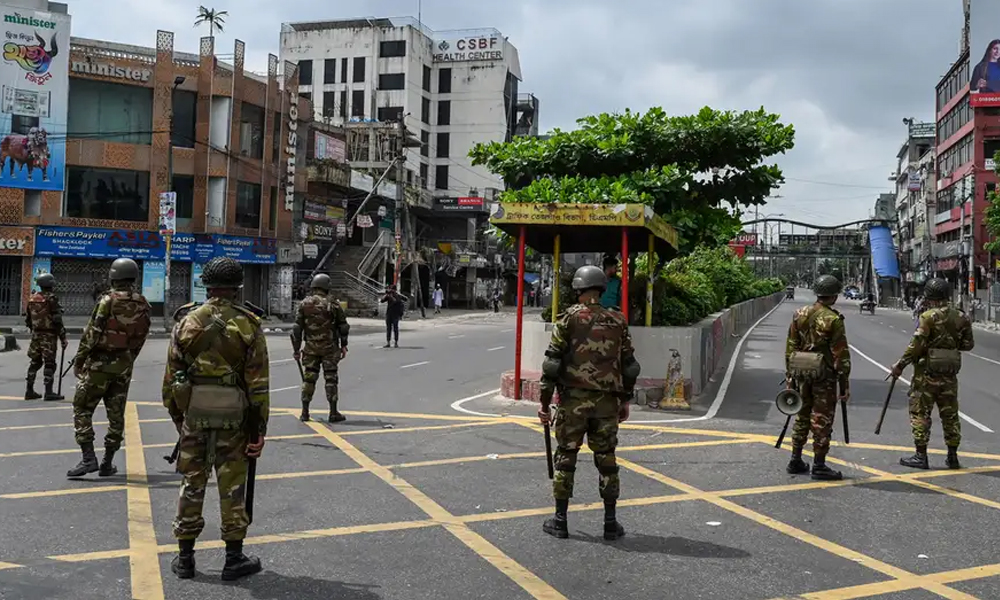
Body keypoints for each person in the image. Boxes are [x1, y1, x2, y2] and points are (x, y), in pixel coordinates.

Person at [162, 256, 269, 581]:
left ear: (206, 285)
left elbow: (170, 382)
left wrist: (182, 420)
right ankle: (233, 559)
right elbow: (258, 387)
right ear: (238, 287)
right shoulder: (249, 324)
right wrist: (258, 432)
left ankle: (185, 560)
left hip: (195, 415)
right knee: (232, 487)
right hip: (234, 420)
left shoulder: (186, 322)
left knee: (191, 484)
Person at [537, 265, 640, 541]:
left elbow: (551, 366)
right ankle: (610, 523)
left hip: (573, 403)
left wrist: (545, 405)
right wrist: (625, 399)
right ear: (601, 289)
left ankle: (560, 521)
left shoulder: (568, 320)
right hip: (607, 404)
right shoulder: (617, 320)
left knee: (566, 459)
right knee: (607, 461)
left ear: (579, 289)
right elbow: (630, 367)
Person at [67, 258, 152, 478]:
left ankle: (88, 459)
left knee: (82, 408)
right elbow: (141, 337)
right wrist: (128, 358)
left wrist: (79, 361)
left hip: (99, 365)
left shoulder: (107, 300)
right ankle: (107, 462)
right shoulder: (143, 303)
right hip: (124, 366)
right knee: (116, 415)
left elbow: (91, 334)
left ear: (113, 276)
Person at [890, 277, 974, 470]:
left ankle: (921, 456)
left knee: (920, 413)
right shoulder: (962, 317)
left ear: (929, 297)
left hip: (926, 375)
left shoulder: (927, 317)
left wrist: (900, 365)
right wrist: (950, 346)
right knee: (950, 414)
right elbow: (968, 344)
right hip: (949, 375)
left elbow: (915, 346)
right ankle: (952, 456)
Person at [784, 274, 851, 481]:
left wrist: (789, 375)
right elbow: (841, 356)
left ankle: (795, 459)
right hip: (824, 377)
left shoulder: (799, 314)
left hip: (800, 374)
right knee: (821, 418)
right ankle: (819, 465)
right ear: (834, 296)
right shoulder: (833, 320)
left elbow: (790, 348)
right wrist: (844, 384)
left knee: (801, 415)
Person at [291, 273, 350, 423]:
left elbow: (297, 329)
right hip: (329, 349)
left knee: (309, 379)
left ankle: (305, 412)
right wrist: (344, 345)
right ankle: (333, 412)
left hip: (310, 349)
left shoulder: (304, 304)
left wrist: (296, 349)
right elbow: (343, 327)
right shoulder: (333, 304)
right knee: (331, 379)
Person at [23, 273, 68, 401]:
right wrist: (63, 337)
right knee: (49, 363)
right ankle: (49, 392)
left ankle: (29, 390)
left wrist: (34, 329)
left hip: (36, 335)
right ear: (50, 285)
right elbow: (57, 320)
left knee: (34, 362)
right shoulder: (52, 299)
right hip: (48, 336)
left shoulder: (32, 299)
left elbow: (28, 319)